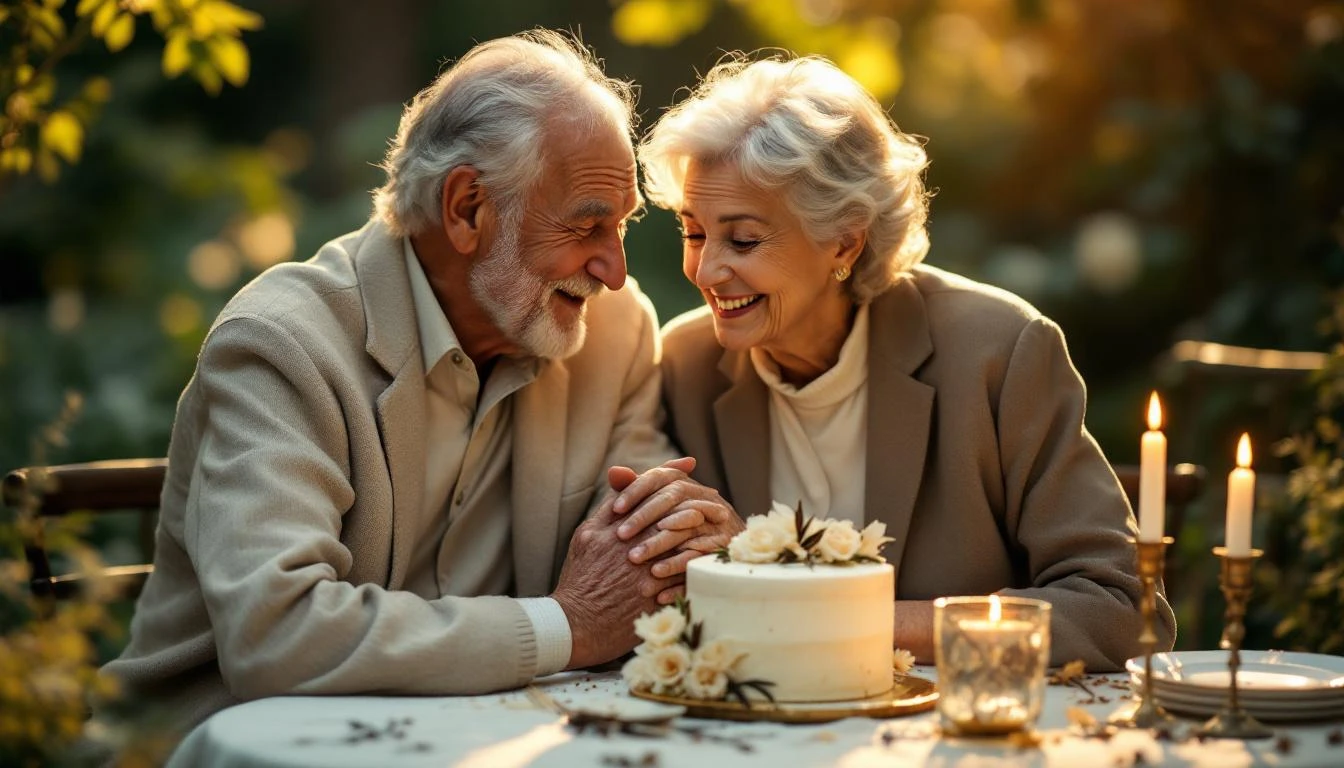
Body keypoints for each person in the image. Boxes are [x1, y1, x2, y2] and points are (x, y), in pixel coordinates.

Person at [99, 30, 741, 738]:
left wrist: (694, 542)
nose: (613, 270)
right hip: (239, 744)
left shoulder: (614, 332)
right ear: (466, 208)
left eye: (620, 228)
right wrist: (566, 626)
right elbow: (276, 636)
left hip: (493, 737)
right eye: (587, 227)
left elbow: (643, 570)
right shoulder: (281, 346)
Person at [638, 54, 1175, 671]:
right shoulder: (685, 362)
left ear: (844, 239)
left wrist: (845, 617)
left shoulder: (1001, 351)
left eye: (744, 239)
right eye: (694, 232)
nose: (705, 272)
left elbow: (1122, 614)